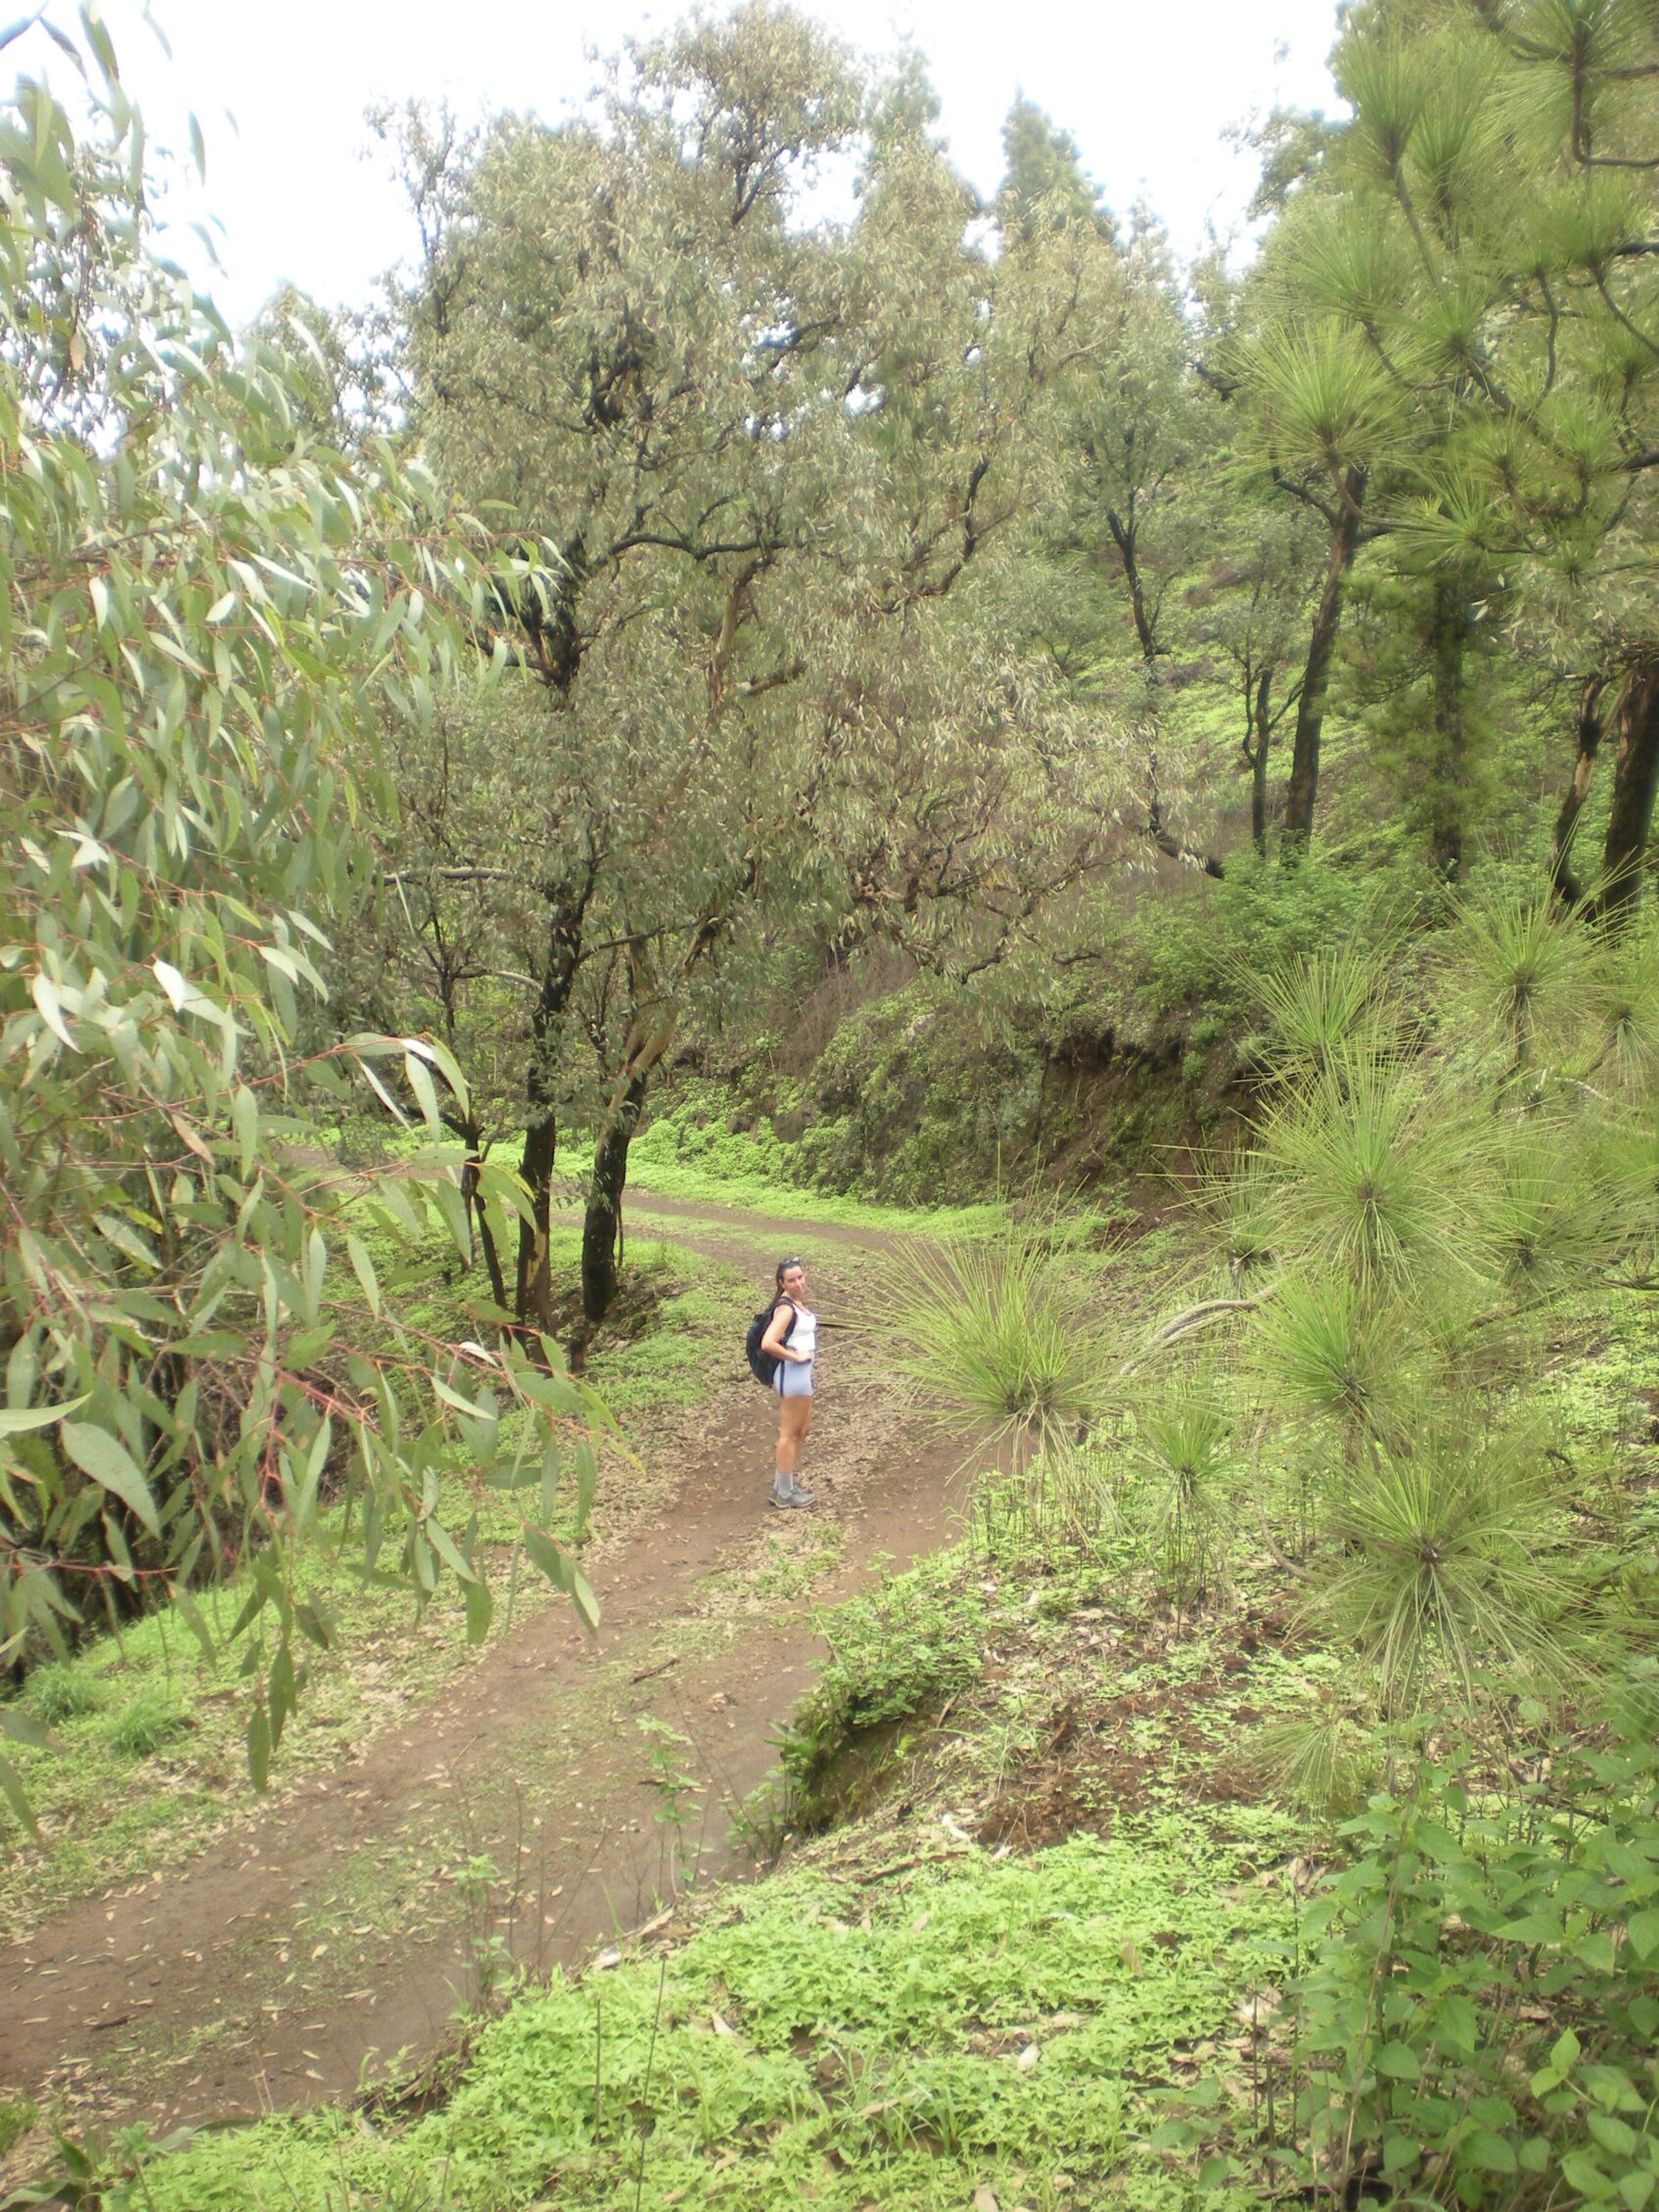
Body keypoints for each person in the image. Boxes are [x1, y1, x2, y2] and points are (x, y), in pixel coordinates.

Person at [761, 1256, 816, 1508]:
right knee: (789, 1433)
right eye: (791, 1280)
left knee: (800, 1431)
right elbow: (768, 1342)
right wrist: (795, 1357)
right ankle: (784, 1493)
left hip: (801, 1376)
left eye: (800, 1277)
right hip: (791, 1375)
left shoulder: (797, 1303)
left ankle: (782, 1485)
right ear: (781, 1283)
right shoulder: (785, 1308)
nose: (797, 1283)